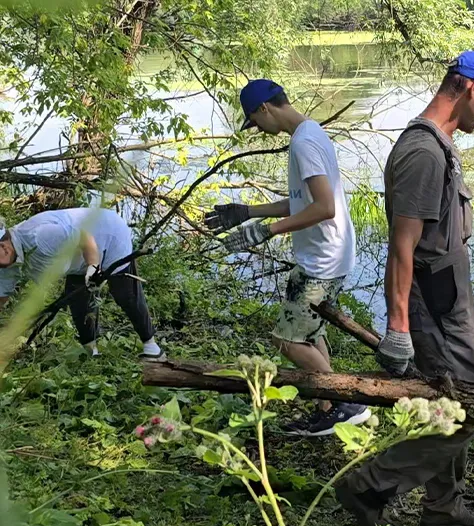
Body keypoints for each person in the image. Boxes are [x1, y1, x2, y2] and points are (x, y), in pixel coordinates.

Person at [336, 49, 474, 526]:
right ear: (472, 87)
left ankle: (443, 510)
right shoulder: (422, 152)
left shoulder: (441, 144)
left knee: (449, 401)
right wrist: (398, 327)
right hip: (434, 306)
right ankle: (370, 485)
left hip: (451, 300)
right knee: (466, 410)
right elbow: (401, 247)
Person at [203, 79, 368, 436]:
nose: (259, 130)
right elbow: (304, 201)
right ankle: (328, 408)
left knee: (287, 340)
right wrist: (249, 211)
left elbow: (324, 208)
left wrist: (269, 230)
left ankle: (344, 404)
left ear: (264, 109)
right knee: (310, 333)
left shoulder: (304, 143)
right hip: (331, 253)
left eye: (255, 121)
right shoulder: (311, 132)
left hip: (321, 259)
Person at [0, 208, 164, 360]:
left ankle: (152, 348)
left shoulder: (40, 235)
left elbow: (84, 237)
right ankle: (92, 353)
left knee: (125, 293)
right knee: (78, 300)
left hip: (106, 235)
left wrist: (93, 267)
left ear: (4, 244)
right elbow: (2, 295)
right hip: (76, 257)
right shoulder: (6, 262)